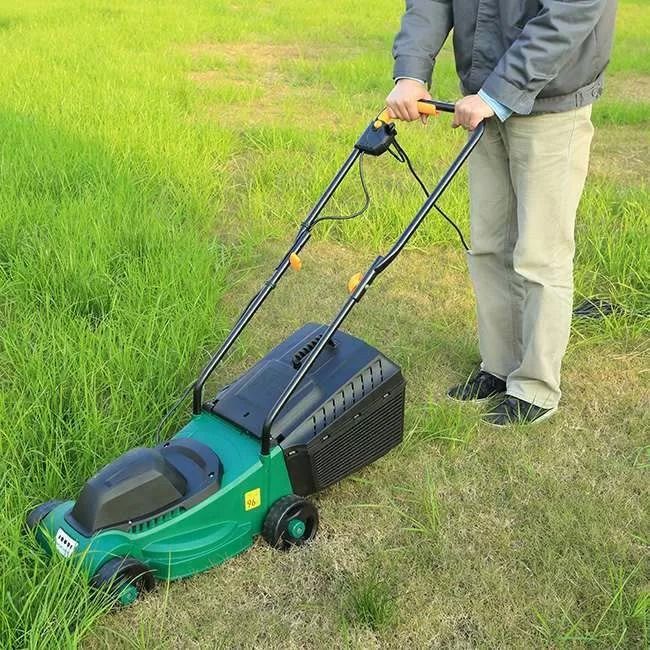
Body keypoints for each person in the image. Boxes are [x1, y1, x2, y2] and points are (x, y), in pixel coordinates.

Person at [387, 0, 617, 426]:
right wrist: (411, 72)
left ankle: (535, 387)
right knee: (490, 244)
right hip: (483, 101)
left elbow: (572, 12)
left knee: (539, 254)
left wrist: (500, 92)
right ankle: (499, 366)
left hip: (551, 100)